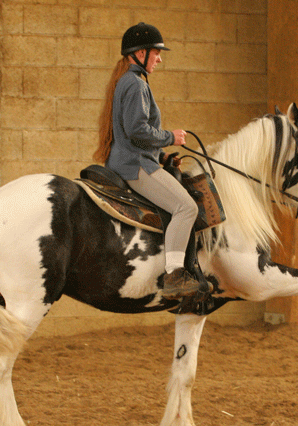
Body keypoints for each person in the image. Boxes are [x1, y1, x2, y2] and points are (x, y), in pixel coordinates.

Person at [94, 23, 201, 300]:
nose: (159, 59)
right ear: (140, 53)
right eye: (156, 53)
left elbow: (128, 136)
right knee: (186, 207)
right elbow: (138, 130)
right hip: (135, 167)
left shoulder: (127, 81)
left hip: (134, 159)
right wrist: (170, 137)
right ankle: (175, 275)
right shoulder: (135, 84)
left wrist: (164, 157)